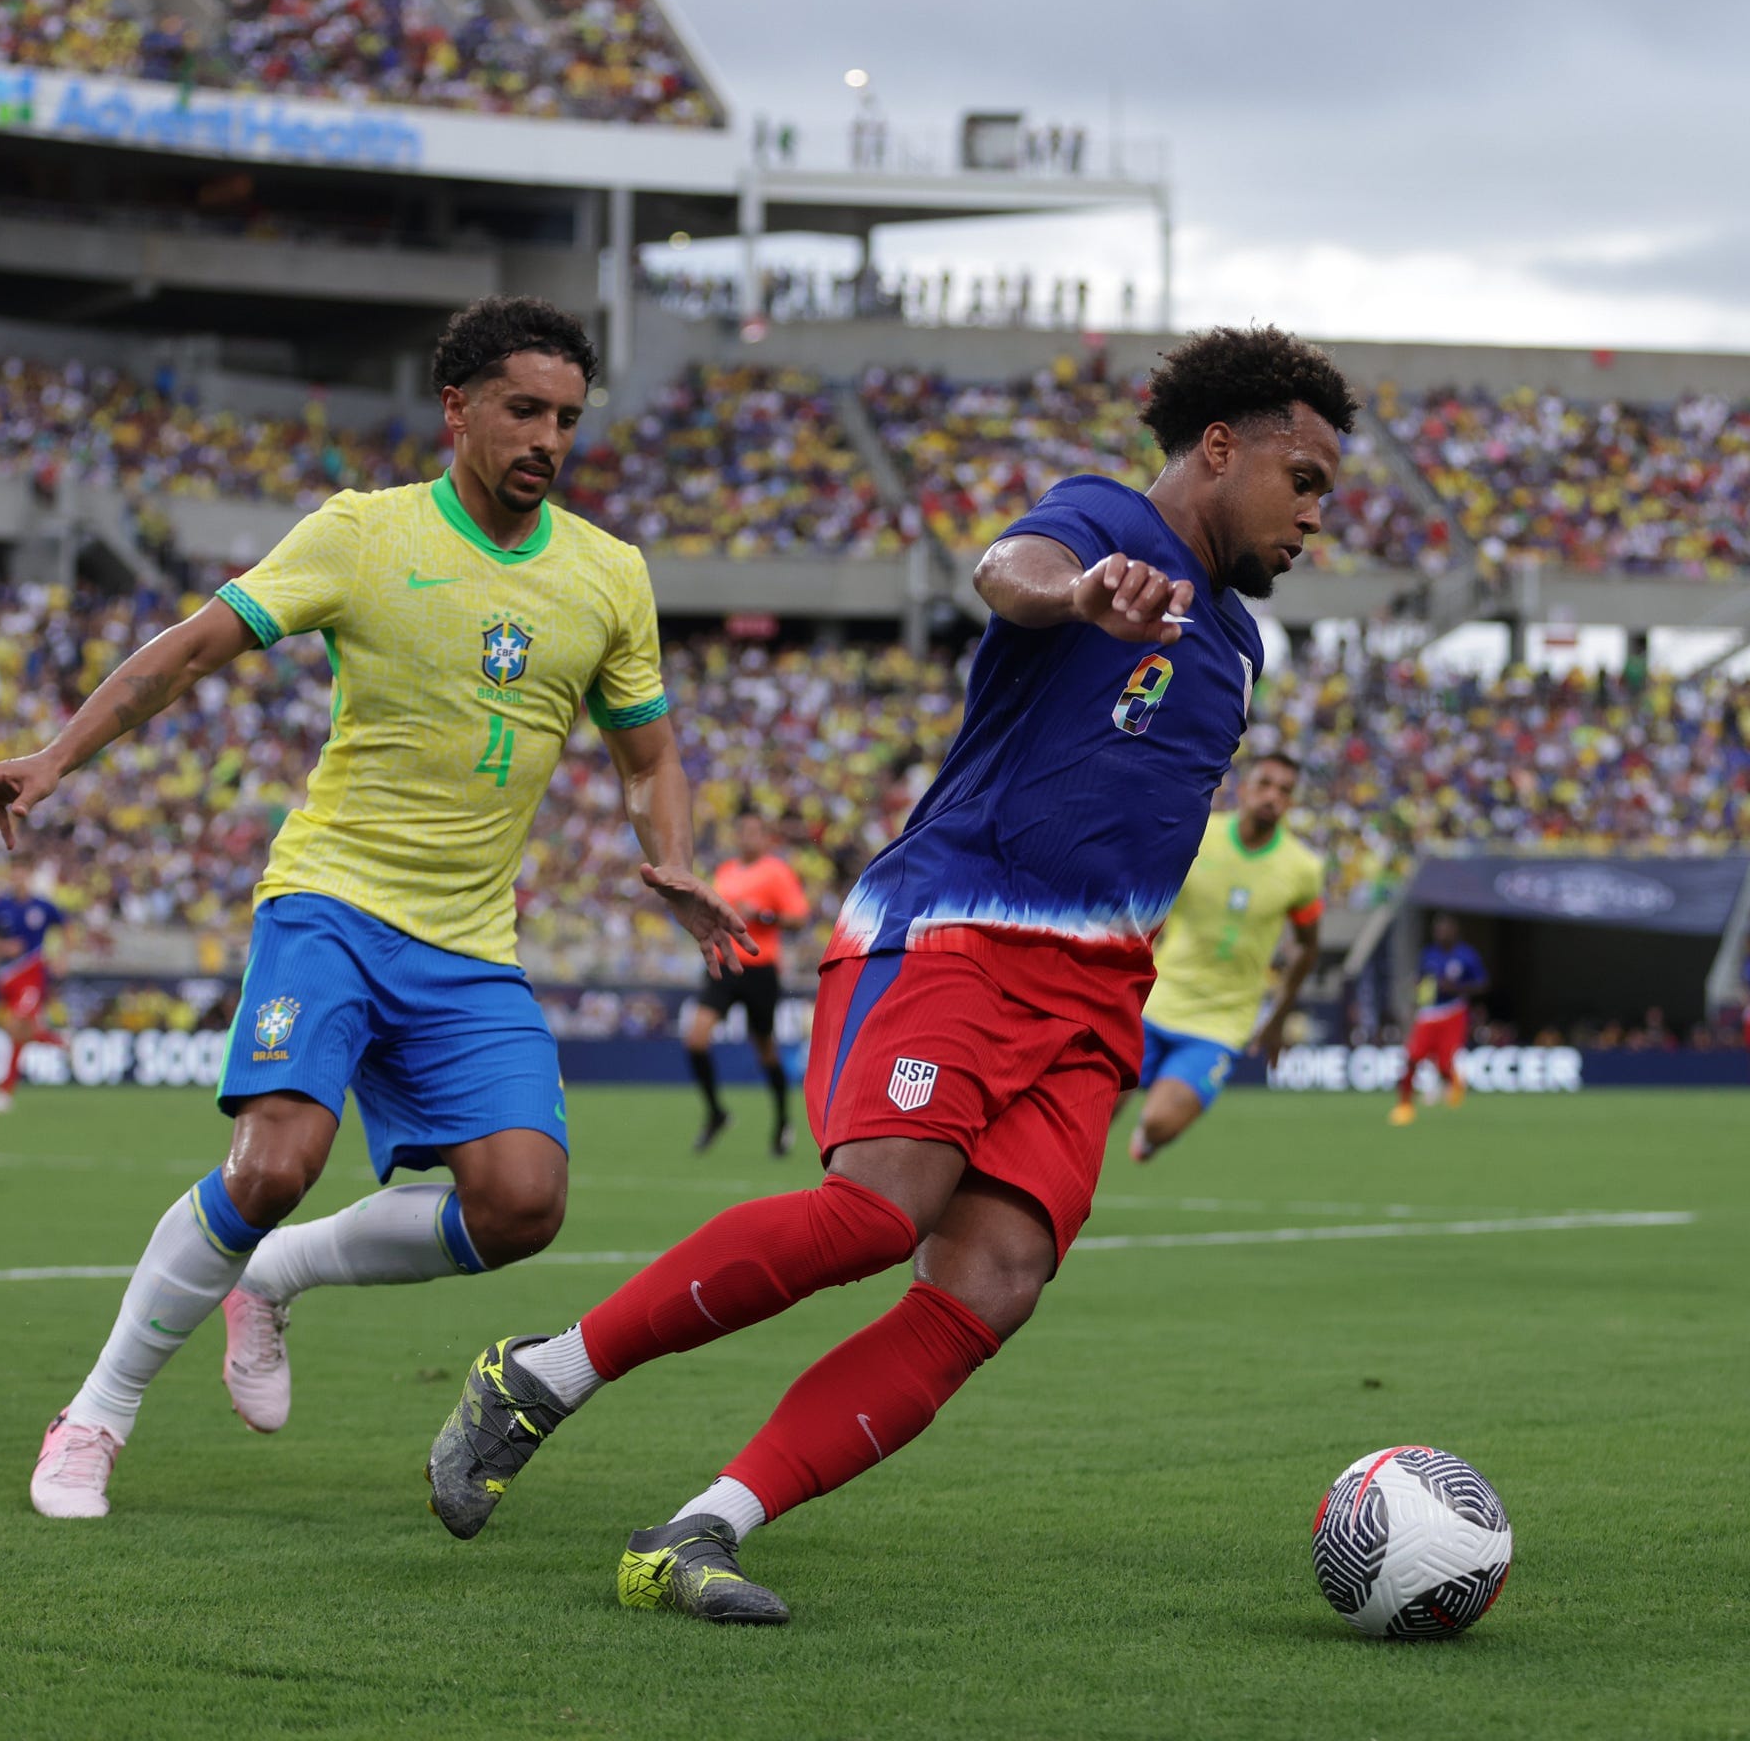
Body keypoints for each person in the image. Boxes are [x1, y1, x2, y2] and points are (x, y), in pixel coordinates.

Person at [423, 324, 1356, 1624]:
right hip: (958, 932)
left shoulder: (1239, 646)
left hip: (1097, 1000)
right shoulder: (1098, 526)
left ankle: (704, 1527)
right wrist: (1078, 595)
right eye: (1302, 479)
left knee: (995, 1282)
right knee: (875, 1212)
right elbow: (1009, 569)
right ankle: (542, 1375)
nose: (1316, 514)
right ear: (1219, 447)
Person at [0, 297, 750, 1519]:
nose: (546, 437)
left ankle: (269, 1279)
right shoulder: (362, 534)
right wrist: (57, 758)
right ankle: (96, 1412)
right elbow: (192, 647)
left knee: (523, 1202)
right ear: (458, 408)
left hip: (470, 939)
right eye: (523, 409)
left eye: (567, 419)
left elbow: (647, 757)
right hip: (331, 898)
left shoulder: (606, 574)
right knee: (274, 1160)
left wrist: (677, 859)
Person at [1125, 752, 1324, 1162]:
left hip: (1222, 1022)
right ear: (1244, 787)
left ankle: (1150, 1136)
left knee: (1160, 1122)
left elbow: (1308, 944)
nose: (1273, 797)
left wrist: (1277, 1018)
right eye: (1265, 784)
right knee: (1091, 1113)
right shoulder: (1199, 833)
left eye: (1285, 791)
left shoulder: (1302, 868)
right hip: (1153, 1000)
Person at [684, 806, 810, 1156]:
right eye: (742, 831)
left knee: (765, 1049)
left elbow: (799, 919)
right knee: (695, 1039)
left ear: (765, 837)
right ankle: (715, 1113)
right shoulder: (725, 871)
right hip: (725, 966)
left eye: (754, 831)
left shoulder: (777, 872)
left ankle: (783, 1121)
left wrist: (763, 915)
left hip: (760, 968)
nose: (746, 837)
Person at [0, 879, 68, 1115]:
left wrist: (61, 956)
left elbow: (65, 927)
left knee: (15, 1027)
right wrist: (3, 947)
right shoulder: (0, 907)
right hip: (7, 977)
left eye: (24, 871)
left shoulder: (43, 907)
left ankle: (4, 1093)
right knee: (19, 1032)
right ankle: (60, 1042)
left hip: (32, 974)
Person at [1391, 913, 1488, 1125]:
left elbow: (1482, 984)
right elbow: (1422, 981)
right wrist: (1414, 1000)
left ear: (1454, 932)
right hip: (1429, 1013)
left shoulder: (1466, 955)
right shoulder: (1429, 954)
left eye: (1445, 929)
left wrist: (1457, 988)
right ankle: (1404, 1105)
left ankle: (1453, 1082)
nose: (1441, 934)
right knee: (1412, 1057)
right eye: (1438, 930)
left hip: (1453, 1011)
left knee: (1445, 1062)